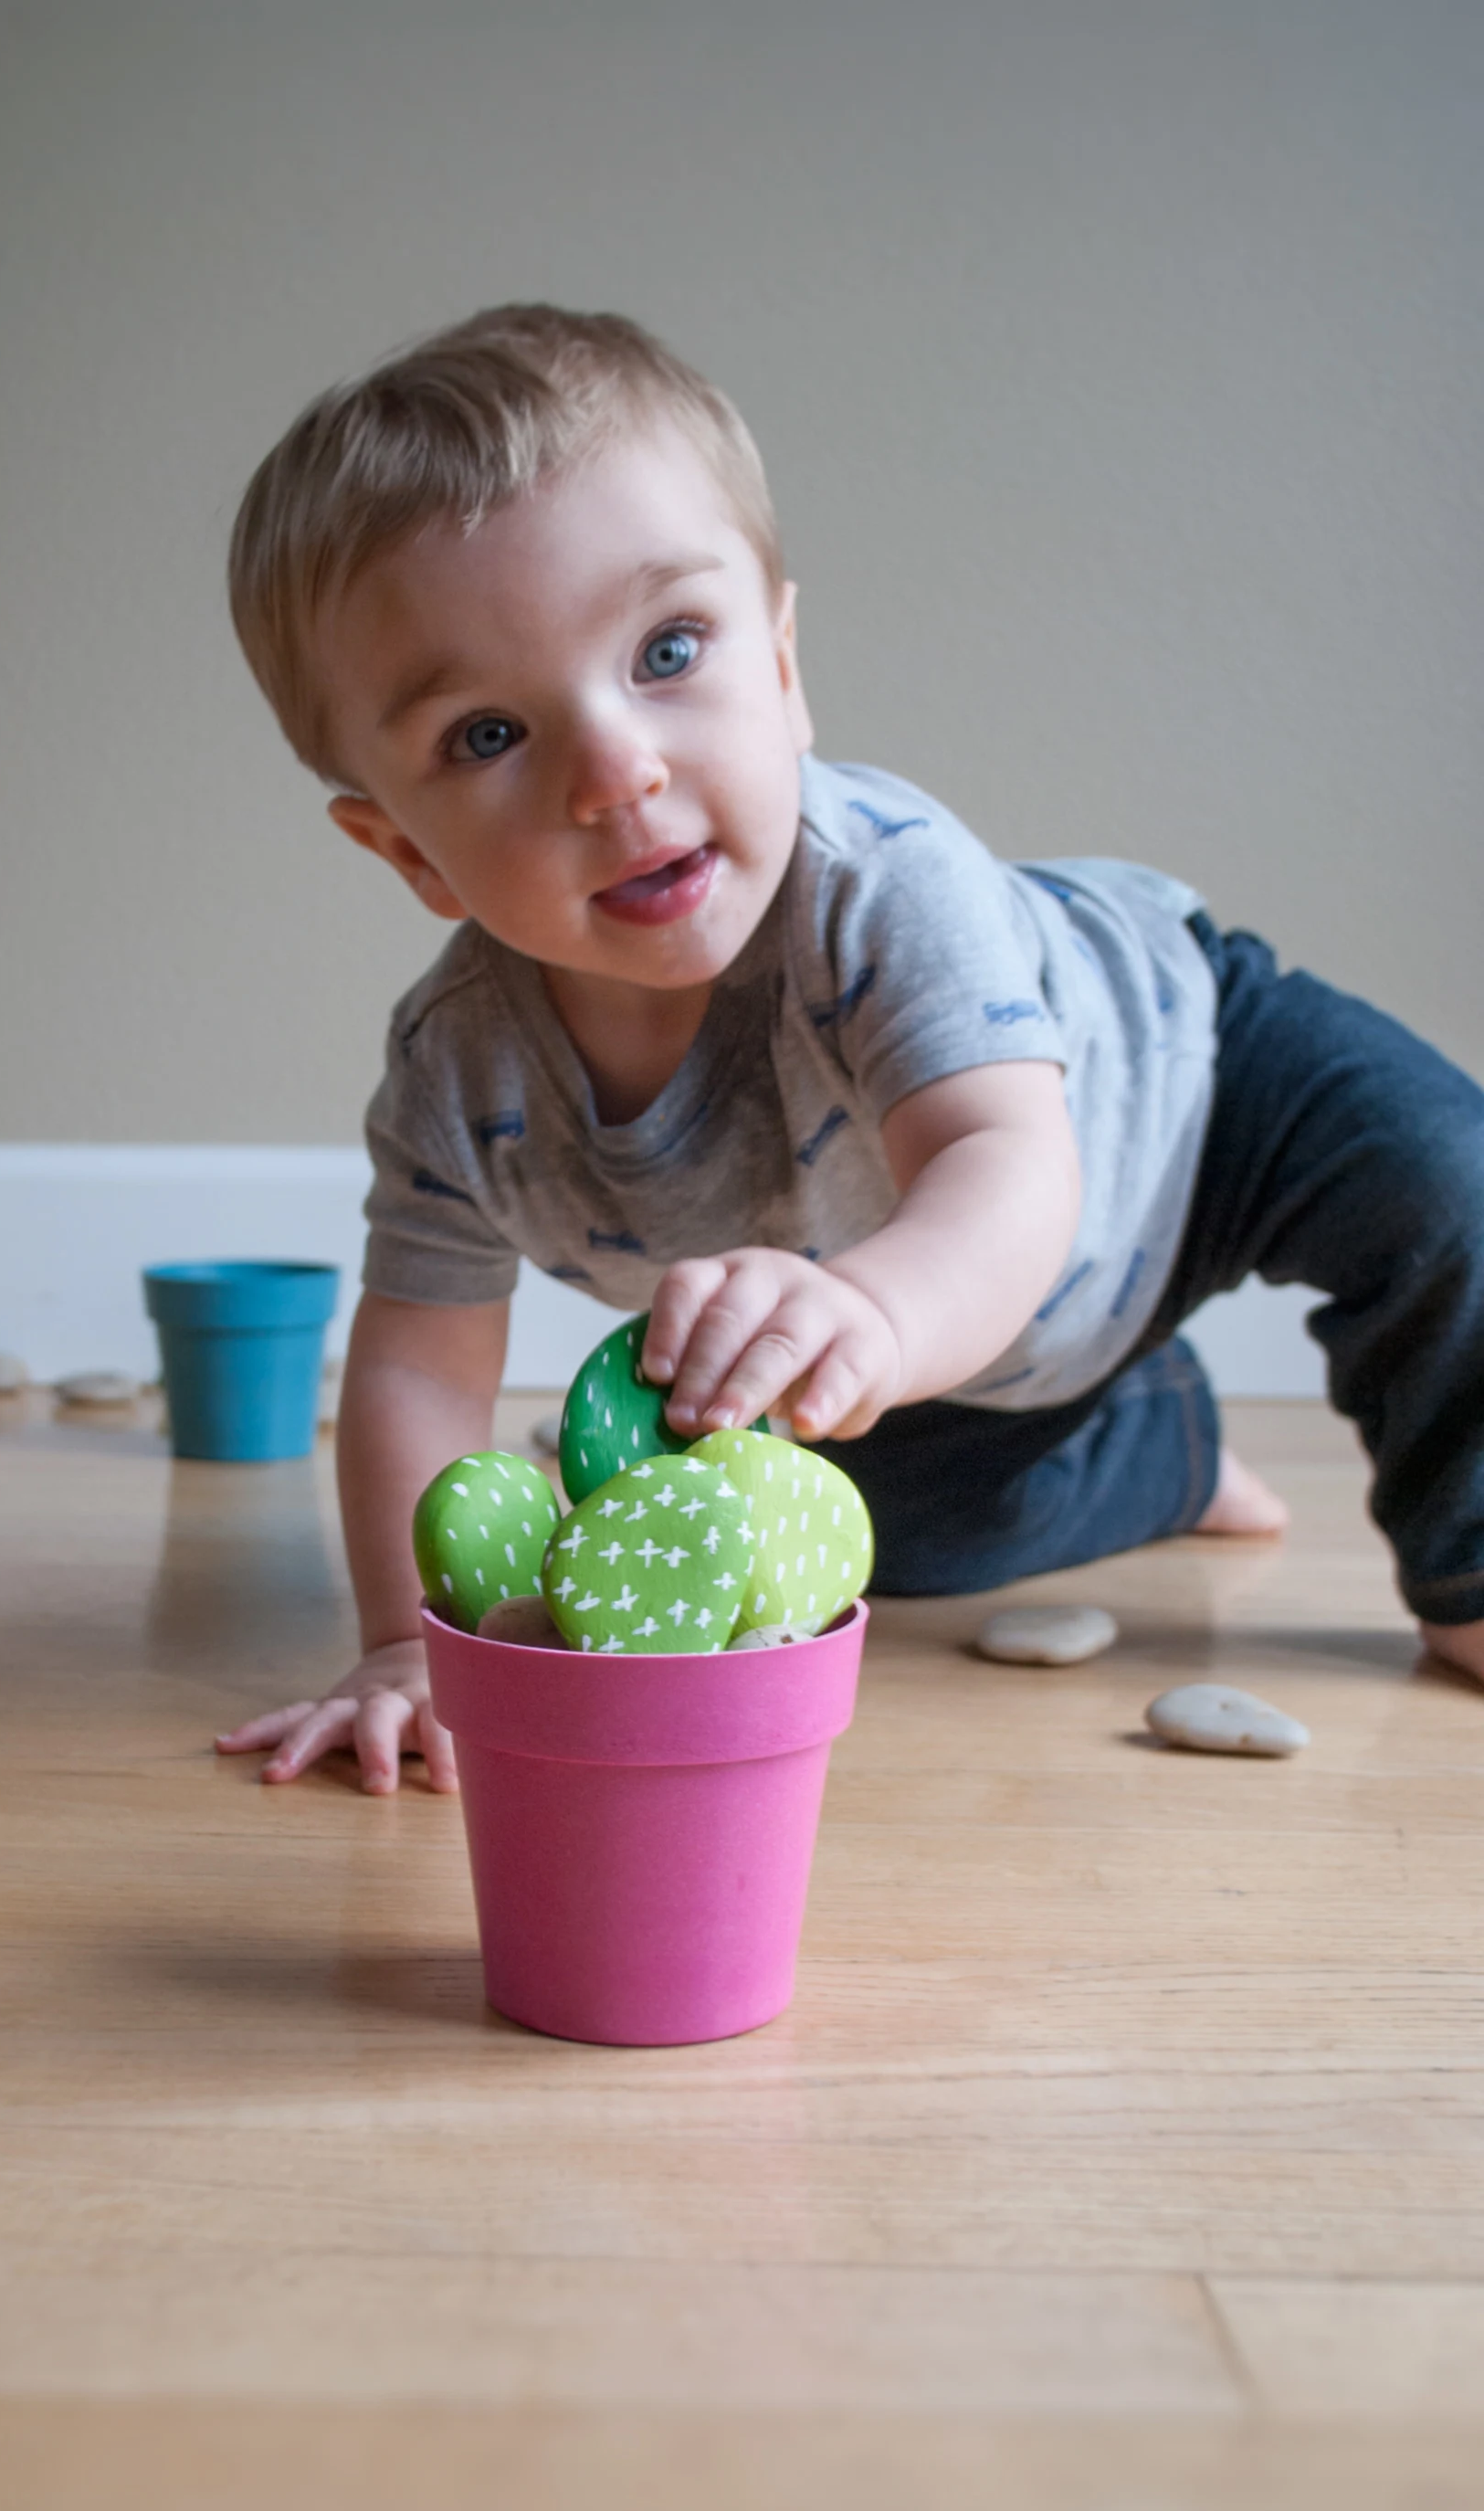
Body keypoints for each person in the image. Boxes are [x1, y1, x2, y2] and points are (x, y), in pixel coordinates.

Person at [217, 302, 1484, 1792]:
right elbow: (421, 1367)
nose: (616, 769)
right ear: (407, 854)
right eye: (489, 737)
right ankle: (1163, 1446)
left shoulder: (880, 889)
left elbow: (1000, 1159)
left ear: (786, 664)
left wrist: (870, 1317)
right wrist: (410, 1643)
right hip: (948, 1317)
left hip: (1189, 1088)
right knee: (901, 1539)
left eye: (669, 649)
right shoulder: (458, 1074)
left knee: (1443, 1181)